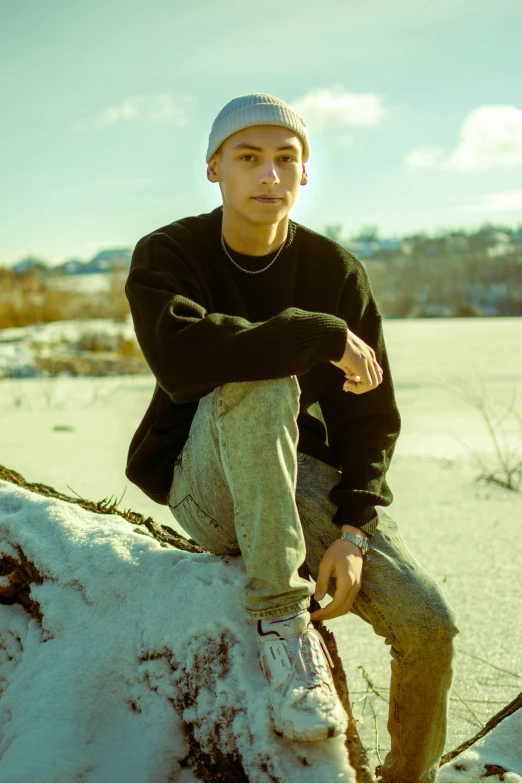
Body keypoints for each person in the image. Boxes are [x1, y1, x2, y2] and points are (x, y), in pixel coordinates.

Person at [124, 92, 460, 781]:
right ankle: (282, 625)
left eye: (286, 159)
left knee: (430, 627)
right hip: (208, 480)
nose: (268, 174)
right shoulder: (168, 253)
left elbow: (372, 414)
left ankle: (410, 777)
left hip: (303, 475)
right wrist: (319, 333)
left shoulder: (335, 270)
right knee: (264, 377)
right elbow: (183, 359)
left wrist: (355, 529)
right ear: (214, 167)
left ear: (305, 173)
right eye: (248, 158)